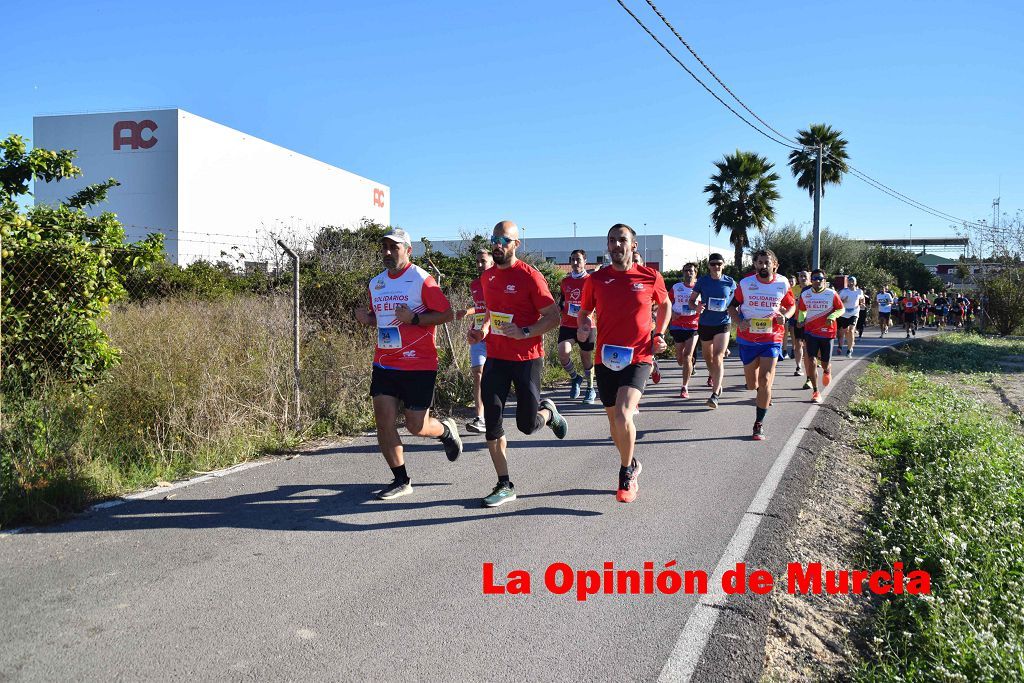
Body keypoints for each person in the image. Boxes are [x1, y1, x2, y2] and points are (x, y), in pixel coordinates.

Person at [354, 227, 463, 500]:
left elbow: (446, 314)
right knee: (384, 421)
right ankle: (401, 479)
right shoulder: (376, 283)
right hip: (385, 362)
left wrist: (414, 319)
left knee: (416, 426)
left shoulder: (421, 280)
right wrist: (368, 320)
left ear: (408, 250)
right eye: (385, 247)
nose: (388, 252)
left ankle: (445, 430)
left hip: (419, 364)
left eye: (395, 247)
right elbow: (380, 318)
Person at [467, 220, 568, 508]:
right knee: (493, 421)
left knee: (526, 425)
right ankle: (504, 483)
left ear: (516, 244)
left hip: (527, 359)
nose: (498, 245)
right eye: (494, 239)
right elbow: (490, 315)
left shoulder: (530, 277)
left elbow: (552, 317)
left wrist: (524, 331)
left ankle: (548, 413)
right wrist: (481, 332)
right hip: (497, 357)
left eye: (504, 240)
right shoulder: (487, 278)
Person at [577, 224, 669, 503]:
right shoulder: (596, 280)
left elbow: (664, 305)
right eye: (612, 240)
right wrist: (583, 327)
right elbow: (584, 312)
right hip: (605, 357)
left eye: (622, 240)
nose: (616, 245)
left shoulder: (650, 276)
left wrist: (659, 334)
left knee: (623, 415)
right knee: (614, 425)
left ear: (633, 246)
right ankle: (633, 462)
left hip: (639, 356)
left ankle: (625, 473)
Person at [728, 249, 796, 441]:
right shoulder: (746, 283)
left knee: (766, 379)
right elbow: (732, 306)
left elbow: (791, 305)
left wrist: (786, 316)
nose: (763, 266)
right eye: (760, 262)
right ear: (755, 264)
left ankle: (759, 424)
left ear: (775, 264)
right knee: (752, 384)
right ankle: (759, 391)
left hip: (772, 337)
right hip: (748, 338)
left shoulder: (782, 283)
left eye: (767, 262)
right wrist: (739, 320)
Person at [454, 248, 494, 433]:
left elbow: (495, 307)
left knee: (493, 377)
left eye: (483, 261)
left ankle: (495, 413)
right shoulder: (474, 284)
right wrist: (467, 312)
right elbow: (480, 307)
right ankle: (480, 418)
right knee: (477, 374)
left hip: (496, 336)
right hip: (477, 334)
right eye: (477, 261)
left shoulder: (498, 282)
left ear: (492, 262)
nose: (479, 265)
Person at [689, 253, 736, 409]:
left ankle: (715, 394)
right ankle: (716, 379)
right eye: (713, 264)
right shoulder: (702, 281)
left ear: (723, 265)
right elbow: (691, 301)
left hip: (723, 323)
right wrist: (696, 307)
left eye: (719, 264)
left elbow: (737, 301)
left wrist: (735, 310)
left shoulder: (730, 282)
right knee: (708, 358)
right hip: (705, 323)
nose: (716, 266)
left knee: (718, 357)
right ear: (709, 266)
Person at [797, 269, 845, 404]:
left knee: (824, 363)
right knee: (811, 360)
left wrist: (832, 316)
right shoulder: (805, 294)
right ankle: (816, 391)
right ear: (811, 280)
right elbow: (802, 310)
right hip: (810, 331)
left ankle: (827, 370)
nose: (817, 281)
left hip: (828, 332)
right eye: (815, 278)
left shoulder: (831, 293)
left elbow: (841, 309)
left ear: (825, 280)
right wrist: (801, 319)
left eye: (820, 278)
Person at [556, 249, 598, 404]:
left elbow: (596, 302)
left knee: (585, 357)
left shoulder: (591, 281)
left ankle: (590, 388)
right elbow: (562, 302)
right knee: (563, 351)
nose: (575, 263)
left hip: (586, 325)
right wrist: (556, 309)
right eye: (572, 259)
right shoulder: (565, 281)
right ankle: (575, 377)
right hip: (568, 324)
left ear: (585, 262)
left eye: (578, 260)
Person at [669, 262, 702, 398]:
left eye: (692, 271)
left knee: (688, 355)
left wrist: (700, 309)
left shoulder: (700, 288)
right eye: (686, 271)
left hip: (694, 325)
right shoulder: (676, 287)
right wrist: (672, 314)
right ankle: (689, 365)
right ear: (683, 273)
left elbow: (704, 304)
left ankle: (684, 387)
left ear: (696, 273)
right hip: (677, 324)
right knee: (680, 358)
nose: (689, 273)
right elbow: (666, 303)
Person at [788, 271, 809, 378]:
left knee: (808, 345)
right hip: (797, 319)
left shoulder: (812, 289)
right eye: (801, 276)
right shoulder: (793, 289)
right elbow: (788, 303)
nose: (803, 278)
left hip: (811, 321)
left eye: (805, 276)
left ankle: (811, 365)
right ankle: (798, 366)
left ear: (809, 278)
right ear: (798, 278)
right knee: (798, 343)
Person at [837, 276, 864, 357]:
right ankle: (851, 344)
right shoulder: (843, 291)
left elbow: (862, 299)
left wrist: (862, 303)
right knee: (846, 332)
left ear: (855, 283)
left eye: (852, 281)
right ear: (847, 282)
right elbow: (837, 301)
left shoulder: (859, 291)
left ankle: (849, 350)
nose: (850, 283)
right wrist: (842, 301)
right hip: (844, 313)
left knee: (851, 330)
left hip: (854, 313)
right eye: (849, 281)